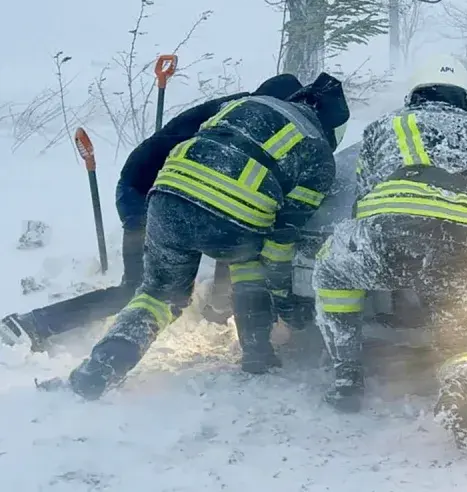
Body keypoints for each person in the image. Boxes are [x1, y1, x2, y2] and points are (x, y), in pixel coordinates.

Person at [61, 72, 350, 401]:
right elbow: (282, 238)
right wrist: (284, 298)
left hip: (167, 199)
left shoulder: (246, 104)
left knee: (158, 295)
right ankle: (257, 353)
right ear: (333, 127)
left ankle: (102, 366)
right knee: (249, 260)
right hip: (231, 220)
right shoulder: (319, 154)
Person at [312, 54, 467, 455]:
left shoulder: (386, 126)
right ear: (465, 98)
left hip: (393, 230)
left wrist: (383, 255)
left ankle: (347, 374)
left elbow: (365, 197)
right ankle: (463, 391)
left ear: (414, 94)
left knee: (332, 270)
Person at [0, 75, 304, 350]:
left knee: (230, 231)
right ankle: (32, 324)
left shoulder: (243, 109)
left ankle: (216, 309)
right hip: (148, 193)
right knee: (138, 289)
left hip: (172, 190)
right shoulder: (250, 119)